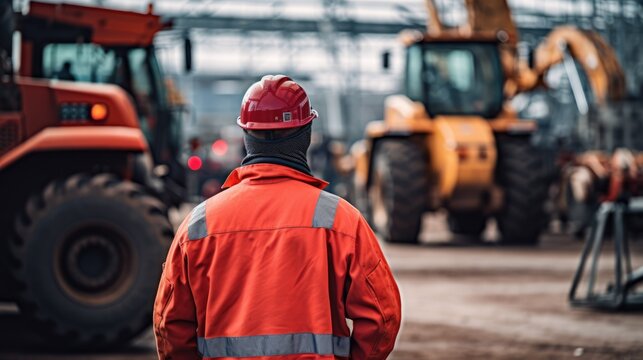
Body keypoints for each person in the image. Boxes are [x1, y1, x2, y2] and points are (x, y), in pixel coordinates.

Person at [154, 75, 401, 359]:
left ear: (246, 135)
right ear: (306, 132)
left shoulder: (199, 224)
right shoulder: (341, 221)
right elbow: (382, 317)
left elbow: (169, 324)